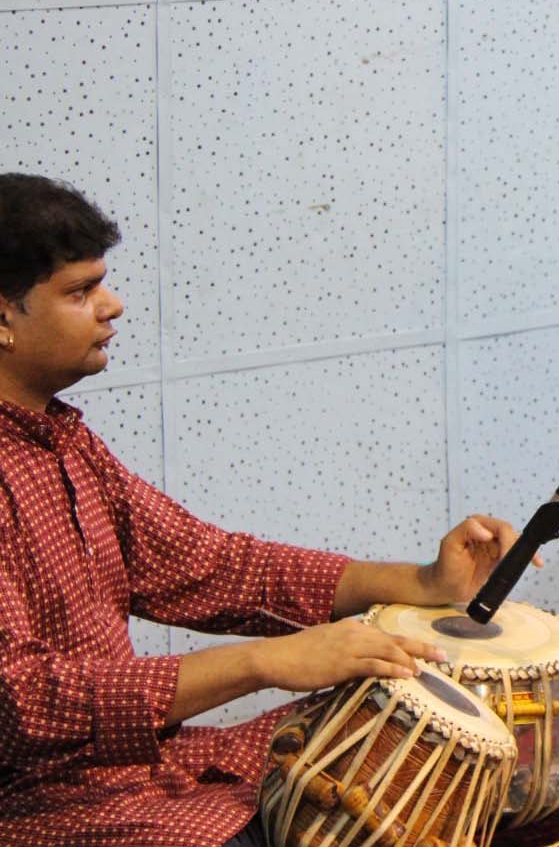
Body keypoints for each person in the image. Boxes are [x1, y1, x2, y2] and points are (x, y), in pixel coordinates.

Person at [0, 173, 523, 846]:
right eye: (81, 291)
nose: (114, 305)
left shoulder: (64, 441)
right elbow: (22, 701)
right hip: (50, 810)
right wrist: (264, 663)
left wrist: (422, 582)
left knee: (409, 732)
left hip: (149, 772)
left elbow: (213, 566)